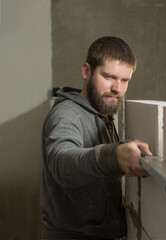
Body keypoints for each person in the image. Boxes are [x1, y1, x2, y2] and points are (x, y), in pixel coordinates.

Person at [41, 36, 152, 240]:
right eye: (109, 77)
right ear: (86, 71)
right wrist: (114, 155)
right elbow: (61, 162)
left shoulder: (100, 113)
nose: (117, 88)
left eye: (125, 80)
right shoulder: (66, 113)